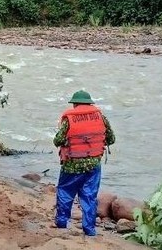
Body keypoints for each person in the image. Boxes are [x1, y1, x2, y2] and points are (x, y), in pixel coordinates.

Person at [52, 90, 115, 237]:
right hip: (93, 165)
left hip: (71, 165)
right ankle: (89, 229)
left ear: (74, 104)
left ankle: (62, 223)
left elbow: (57, 141)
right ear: (90, 103)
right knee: (89, 196)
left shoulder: (69, 119)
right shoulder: (101, 117)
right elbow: (111, 139)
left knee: (65, 192)